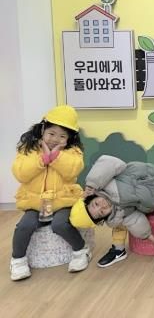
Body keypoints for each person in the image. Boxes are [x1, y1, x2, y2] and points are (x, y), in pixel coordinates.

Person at [10, 105, 90, 280]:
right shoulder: (29, 149)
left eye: (62, 136)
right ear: (42, 130)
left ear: (69, 138)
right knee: (24, 226)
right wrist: (42, 160)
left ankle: (80, 250)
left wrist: (55, 157)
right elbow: (20, 173)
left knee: (60, 224)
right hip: (35, 203)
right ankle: (18, 260)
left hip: (62, 201)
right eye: (51, 133)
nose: (55, 139)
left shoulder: (73, 152)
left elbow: (72, 170)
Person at [68, 155, 154, 269]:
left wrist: (91, 183)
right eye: (101, 212)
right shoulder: (116, 214)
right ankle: (118, 249)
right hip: (146, 201)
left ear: (92, 197)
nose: (103, 206)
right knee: (118, 222)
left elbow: (109, 163)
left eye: (96, 204)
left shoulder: (105, 183)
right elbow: (135, 222)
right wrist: (153, 239)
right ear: (103, 218)